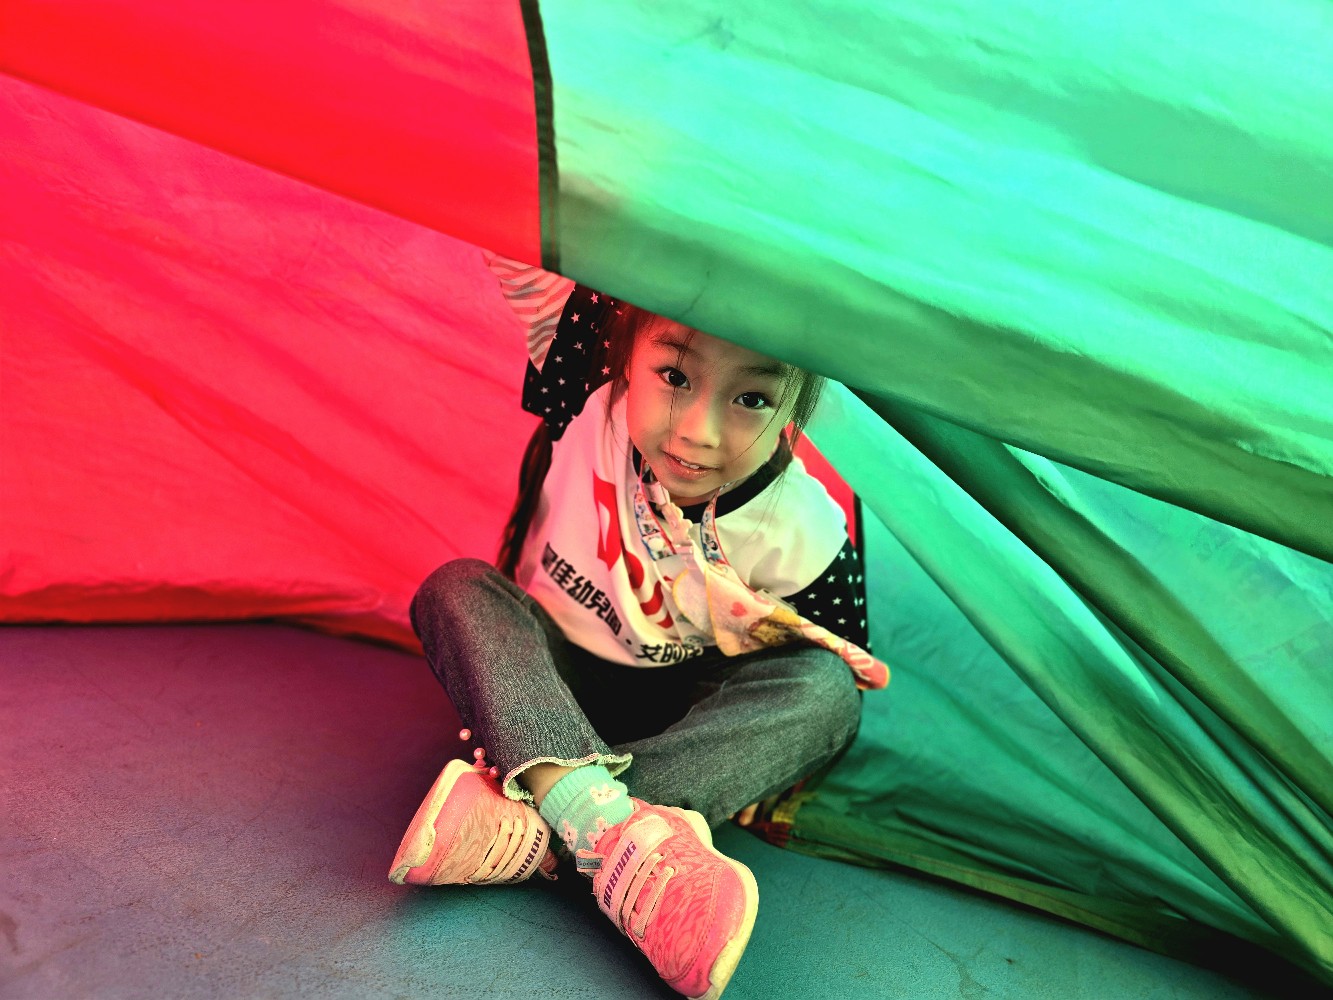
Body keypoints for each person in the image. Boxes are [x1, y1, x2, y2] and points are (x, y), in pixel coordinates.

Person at [388, 255, 889, 1000]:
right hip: (548, 682)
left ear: (796, 411)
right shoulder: (587, 384)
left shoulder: (802, 527)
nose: (697, 431)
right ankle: (613, 836)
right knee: (457, 589)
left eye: (752, 397)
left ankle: (551, 823)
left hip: (681, 714)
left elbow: (818, 682)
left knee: (826, 691)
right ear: (625, 357)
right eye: (675, 376)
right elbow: (515, 234)